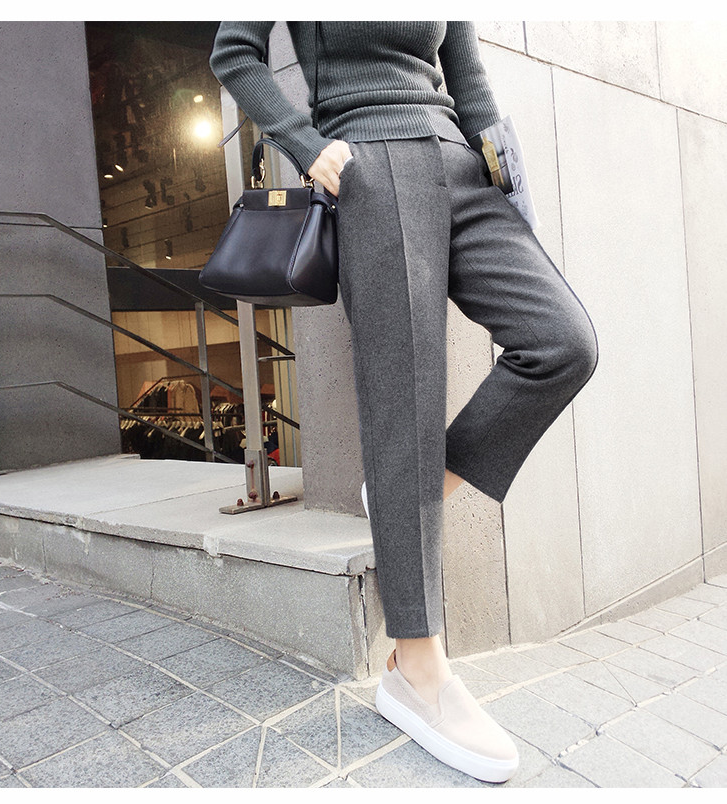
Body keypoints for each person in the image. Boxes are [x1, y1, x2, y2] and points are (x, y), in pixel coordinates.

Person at [209, 21, 599, 784]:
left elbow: (468, 79)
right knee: (405, 405)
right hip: (373, 165)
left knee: (562, 344)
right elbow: (235, 51)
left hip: (464, 168)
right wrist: (305, 143)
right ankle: (415, 670)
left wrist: (505, 178)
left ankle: (409, 488)